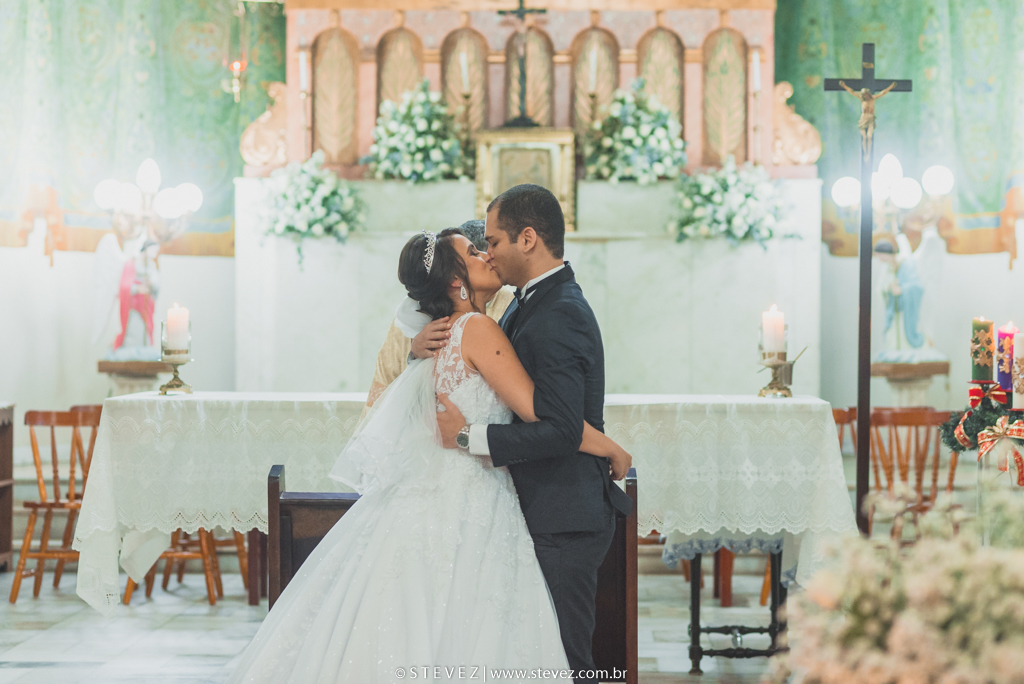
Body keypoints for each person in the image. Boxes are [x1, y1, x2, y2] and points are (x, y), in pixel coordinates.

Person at [225, 227, 632, 684]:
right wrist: (609, 445)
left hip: (428, 495)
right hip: (470, 497)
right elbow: (544, 413)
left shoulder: (437, 338)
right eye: (474, 253)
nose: (485, 255)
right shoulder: (477, 328)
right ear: (457, 283)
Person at [415, 184, 633, 684]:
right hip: (536, 507)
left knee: (567, 662)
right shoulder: (524, 303)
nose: (487, 250)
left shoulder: (559, 313)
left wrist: (470, 438)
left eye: (492, 240)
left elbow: (556, 427)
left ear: (528, 238)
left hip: (564, 513)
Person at [363, 219, 515, 411]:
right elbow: (383, 390)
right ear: (453, 276)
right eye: (475, 253)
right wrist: (415, 356)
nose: (488, 258)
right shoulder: (414, 319)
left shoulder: (513, 303)